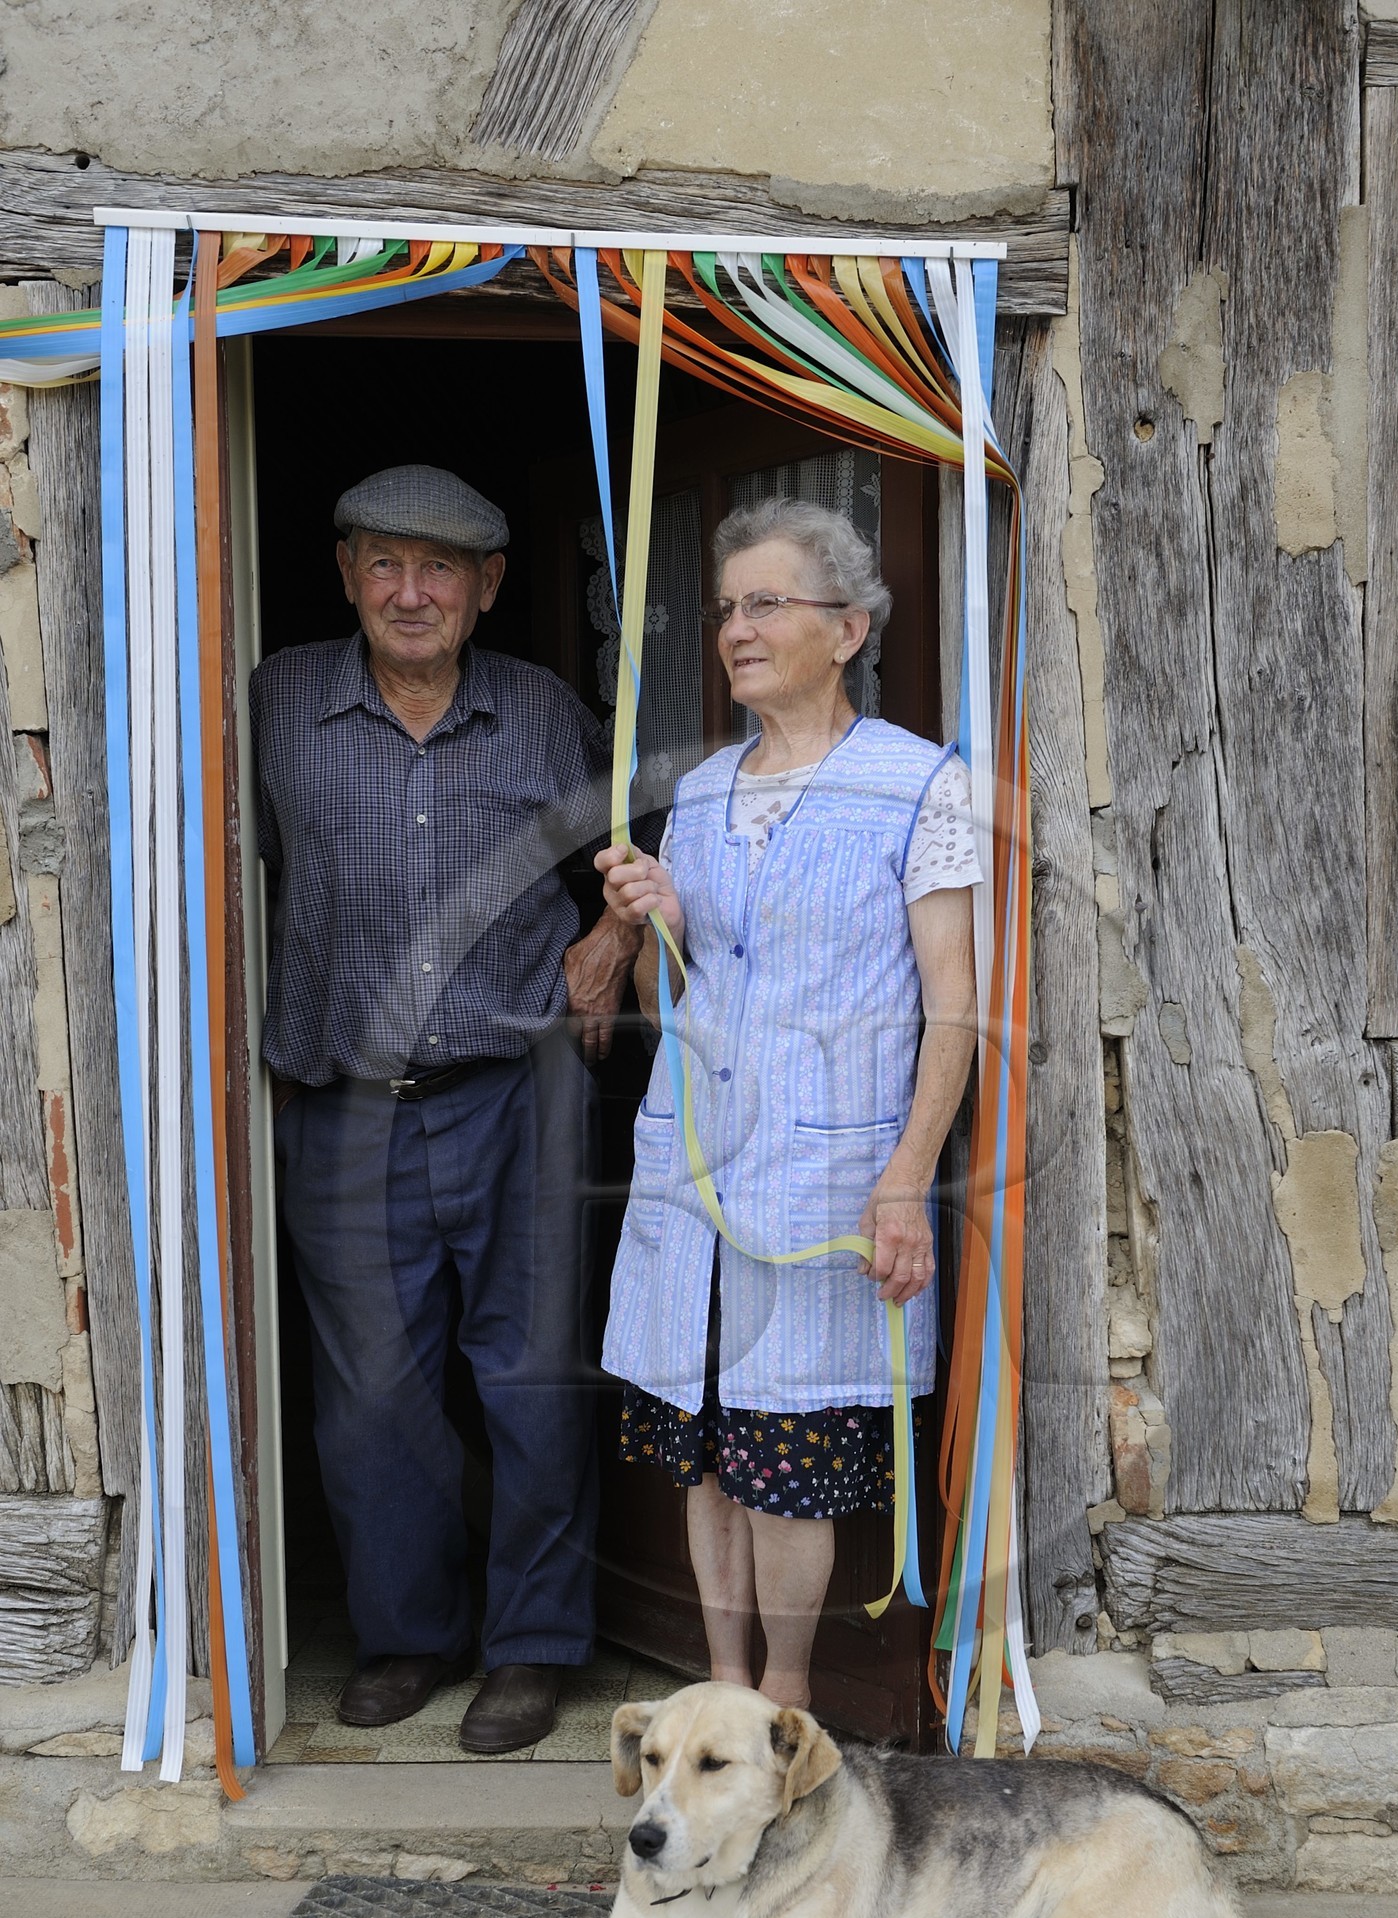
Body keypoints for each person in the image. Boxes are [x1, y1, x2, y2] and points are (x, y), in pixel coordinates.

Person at [254, 464, 642, 1753]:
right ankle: (407, 1632)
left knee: (529, 1383)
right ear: (348, 576)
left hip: (514, 1094)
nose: (409, 592)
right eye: (383, 565)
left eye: (440, 570)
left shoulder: (542, 712)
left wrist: (610, 943)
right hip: (342, 1106)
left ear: (486, 588)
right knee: (372, 1395)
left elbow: (647, 846)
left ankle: (530, 1648)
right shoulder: (273, 700)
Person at [597, 497, 979, 1709]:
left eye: (768, 603)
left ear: (848, 626)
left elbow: (953, 1007)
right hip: (694, 1167)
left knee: (784, 1454)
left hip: (829, 1170)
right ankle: (719, 1690)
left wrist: (905, 1176)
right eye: (727, 608)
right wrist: (648, 913)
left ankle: (787, 1701)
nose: (736, 629)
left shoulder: (921, 786)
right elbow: (677, 997)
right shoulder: (701, 792)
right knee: (703, 1447)